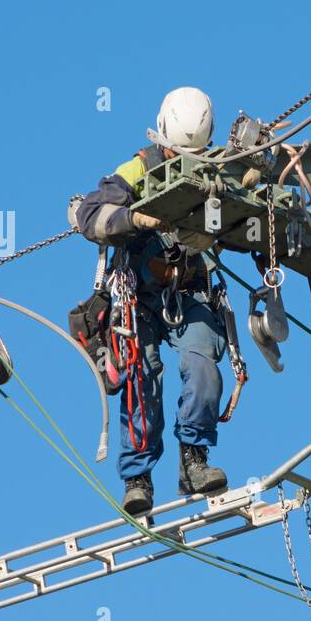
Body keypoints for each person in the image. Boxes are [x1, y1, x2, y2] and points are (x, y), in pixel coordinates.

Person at [73, 86, 229, 515]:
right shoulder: (138, 169)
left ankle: (194, 461)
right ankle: (137, 478)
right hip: (138, 299)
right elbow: (90, 214)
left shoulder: (217, 170)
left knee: (202, 365)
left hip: (188, 291)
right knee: (141, 380)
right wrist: (134, 218)